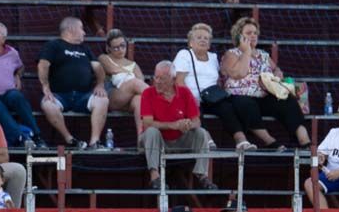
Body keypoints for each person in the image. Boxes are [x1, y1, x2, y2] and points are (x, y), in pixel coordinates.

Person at [221, 17, 310, 150]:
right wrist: (247, 51)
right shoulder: (231, 54)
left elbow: (276, 69)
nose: (253, 36)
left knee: (288, 101)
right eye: (248, 33)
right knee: (245, 105)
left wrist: (277, 74)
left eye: (255, 33)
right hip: (240, 97)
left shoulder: (263, 55)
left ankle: (305, 142)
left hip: (263, 96)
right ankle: (271, 142)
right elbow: (238, 73)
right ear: (239, 36)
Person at [174, 22, 264, 150]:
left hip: (211, 97)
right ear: (191, 43)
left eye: (206, 38)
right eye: (199, 37)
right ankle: (207, 140)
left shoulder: (213, 57)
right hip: (190, 97)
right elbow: (179, 81)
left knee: (226, 108)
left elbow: (218, 80)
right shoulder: (184, 54)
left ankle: (241, 141)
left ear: (209, 44)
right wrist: (190, 98)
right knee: (194, 110)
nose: (203, 40)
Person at [139, 60, 216, 191]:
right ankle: (154, 176)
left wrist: (187, 124)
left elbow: (196, 121)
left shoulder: (184, 92)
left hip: (180, 140)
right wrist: (172, 125)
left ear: (173, 80)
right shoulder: (148, 93)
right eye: (156, 77)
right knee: (151, 131)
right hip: (157, 142)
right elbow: (147, 123)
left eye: (162, 78)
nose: (157, 81)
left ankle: (202, 175)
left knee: (201, 132)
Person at [38, 16, 107, 149]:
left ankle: (95, 142)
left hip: (84, 96)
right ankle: (70, 139)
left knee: (103, 100)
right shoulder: (53, 45)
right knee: (47, 104)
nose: (84, 33)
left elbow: (98, 67)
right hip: (59, 95)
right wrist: (45, 87)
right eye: (81, 28)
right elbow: (43, 64)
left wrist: (100, 84)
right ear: (71, 29)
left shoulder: (85, 49)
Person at [97, 28, 147, 138]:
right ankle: (159, 100)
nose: (120, 50)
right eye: (116, 47)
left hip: (130, 100)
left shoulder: (133, 64)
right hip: (113, 96)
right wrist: (129, 74)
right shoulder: (104, 58)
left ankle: (141, 138)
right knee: (134, 83)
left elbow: (141, 81)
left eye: (123, 46)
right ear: (108, 48)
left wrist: (125, 73)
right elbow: (112, 69)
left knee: (139, 100)